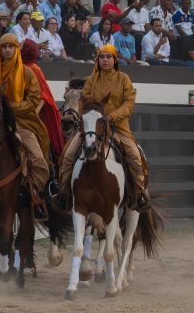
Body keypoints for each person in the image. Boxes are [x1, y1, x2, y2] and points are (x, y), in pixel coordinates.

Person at [0, 33, 51, 218]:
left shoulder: (28, 73)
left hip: (21, 122)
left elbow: (33, 99)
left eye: (10, 47)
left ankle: (35, 195)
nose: (6, 50)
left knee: (38, 159)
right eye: (4, 46)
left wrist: (10, 107)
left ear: (16, 49)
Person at [58, 45, 150, 211]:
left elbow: (128, 104)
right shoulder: (91, 80)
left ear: (115, 60)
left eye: (108, 57)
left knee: (135, 156)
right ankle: (64, 194)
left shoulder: (124, 79)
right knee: (68, 155)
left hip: (119, 128)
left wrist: (110, 117)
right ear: (98, 60)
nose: (105, 60)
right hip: (91, 128)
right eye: (102, 57)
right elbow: (83, 103)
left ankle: (138, 193)